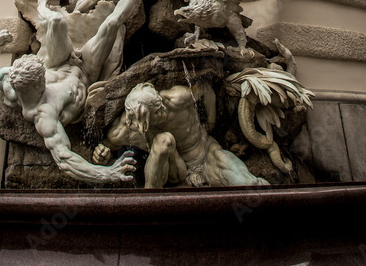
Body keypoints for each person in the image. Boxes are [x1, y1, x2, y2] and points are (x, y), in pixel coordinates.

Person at [0, 0, 151, 185]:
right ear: (39, 86)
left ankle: (42, 6)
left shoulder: (11, 78)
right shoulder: (44, 115)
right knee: (112, 23)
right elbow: (65, 160)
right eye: (42, 74)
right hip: (87, 73)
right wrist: (108, 173)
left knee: (58, 24)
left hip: (61, 63)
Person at [93, 80, 268, 189]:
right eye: (155, 115)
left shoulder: (177, 98)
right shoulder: (129, 126)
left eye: (159, 109)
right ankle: (148, 200)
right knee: (164, 140)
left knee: (249, 184)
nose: (162, 112)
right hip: (175, 170)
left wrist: (211, 122)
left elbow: (206, 90)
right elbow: (108, 146)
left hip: (206, 155)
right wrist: (102, 153)